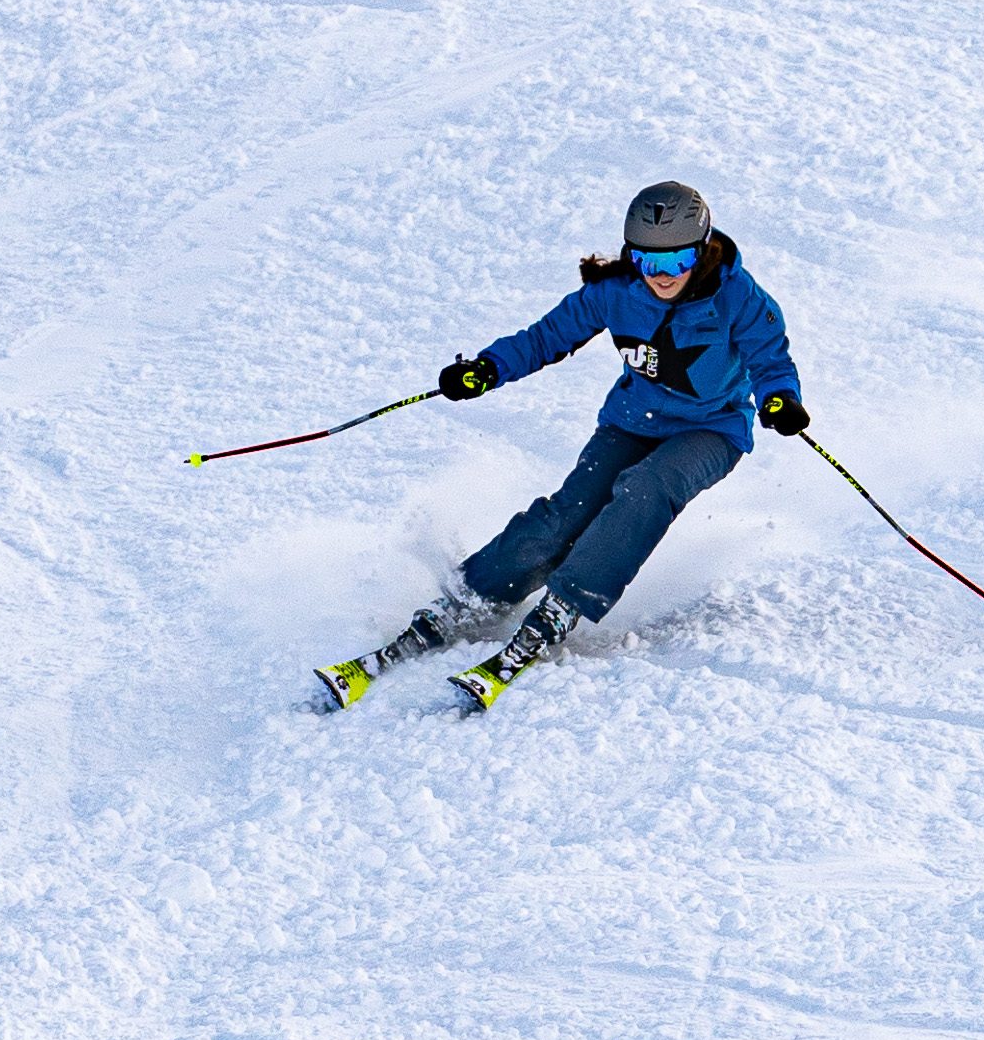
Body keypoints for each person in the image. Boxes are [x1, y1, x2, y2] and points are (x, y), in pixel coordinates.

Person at [318, 178, 807, 707]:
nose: (661, 277)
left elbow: (771, 360)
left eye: (676, 261)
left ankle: (566, 602)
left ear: (704, 249)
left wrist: (780, 399)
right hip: (631, 421)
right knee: (563, 516)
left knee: (645, 489)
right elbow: (546, 337)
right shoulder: (616, 292)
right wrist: (486, 368)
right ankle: (472, 596)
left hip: (711, 430)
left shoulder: (740, 298)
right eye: (647, 263)